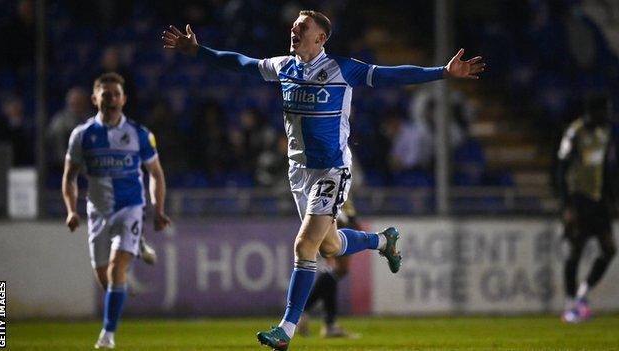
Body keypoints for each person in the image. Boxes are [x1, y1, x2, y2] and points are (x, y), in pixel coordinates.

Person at [162, 10, 484, 350]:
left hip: (332, 170)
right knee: (330, 246)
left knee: (305, 246)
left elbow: (392, 75)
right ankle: (383, 241)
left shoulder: (341, 69)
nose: (295, 30)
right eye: (294, 26)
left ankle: (285, 329)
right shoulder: (283, 66)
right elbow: (242, 62)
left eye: (303, 26)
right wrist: (198, 50)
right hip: (298, 172)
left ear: (321, 38)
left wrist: (444, 73)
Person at [61, 72, 171, 348]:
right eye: (105, 94)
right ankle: (134, 253)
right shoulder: (82, 135)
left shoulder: (139, 134)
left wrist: (158, 209)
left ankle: (107, 335)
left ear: (124, 99)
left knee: (114, 271)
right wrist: (71, 210)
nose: (110, 99)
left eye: (115, 94)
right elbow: (69, 176)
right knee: (105, 279)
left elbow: (155, 173)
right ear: (94, 98)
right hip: (97, 212)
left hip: (130, 209)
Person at [557, 93, 617, 323]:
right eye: (604, 110)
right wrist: (566, 205)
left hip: (598, 200)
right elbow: (561, 169)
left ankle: (582, 294)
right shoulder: (575, 132)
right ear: (594, 112)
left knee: (609, 250)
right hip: (578, 199)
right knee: (574, 252)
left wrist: (611, 199)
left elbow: (606, 168)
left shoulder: (606, 132)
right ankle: (570, 305)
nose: (607, 115)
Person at [298, 197, 362, 338]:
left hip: (332, 216)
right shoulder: (338, 176)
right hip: (336, 217)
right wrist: (349, 222)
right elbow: (341, 198)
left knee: (335, 271)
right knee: (338, 269)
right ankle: (307, 313)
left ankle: (327, 322)